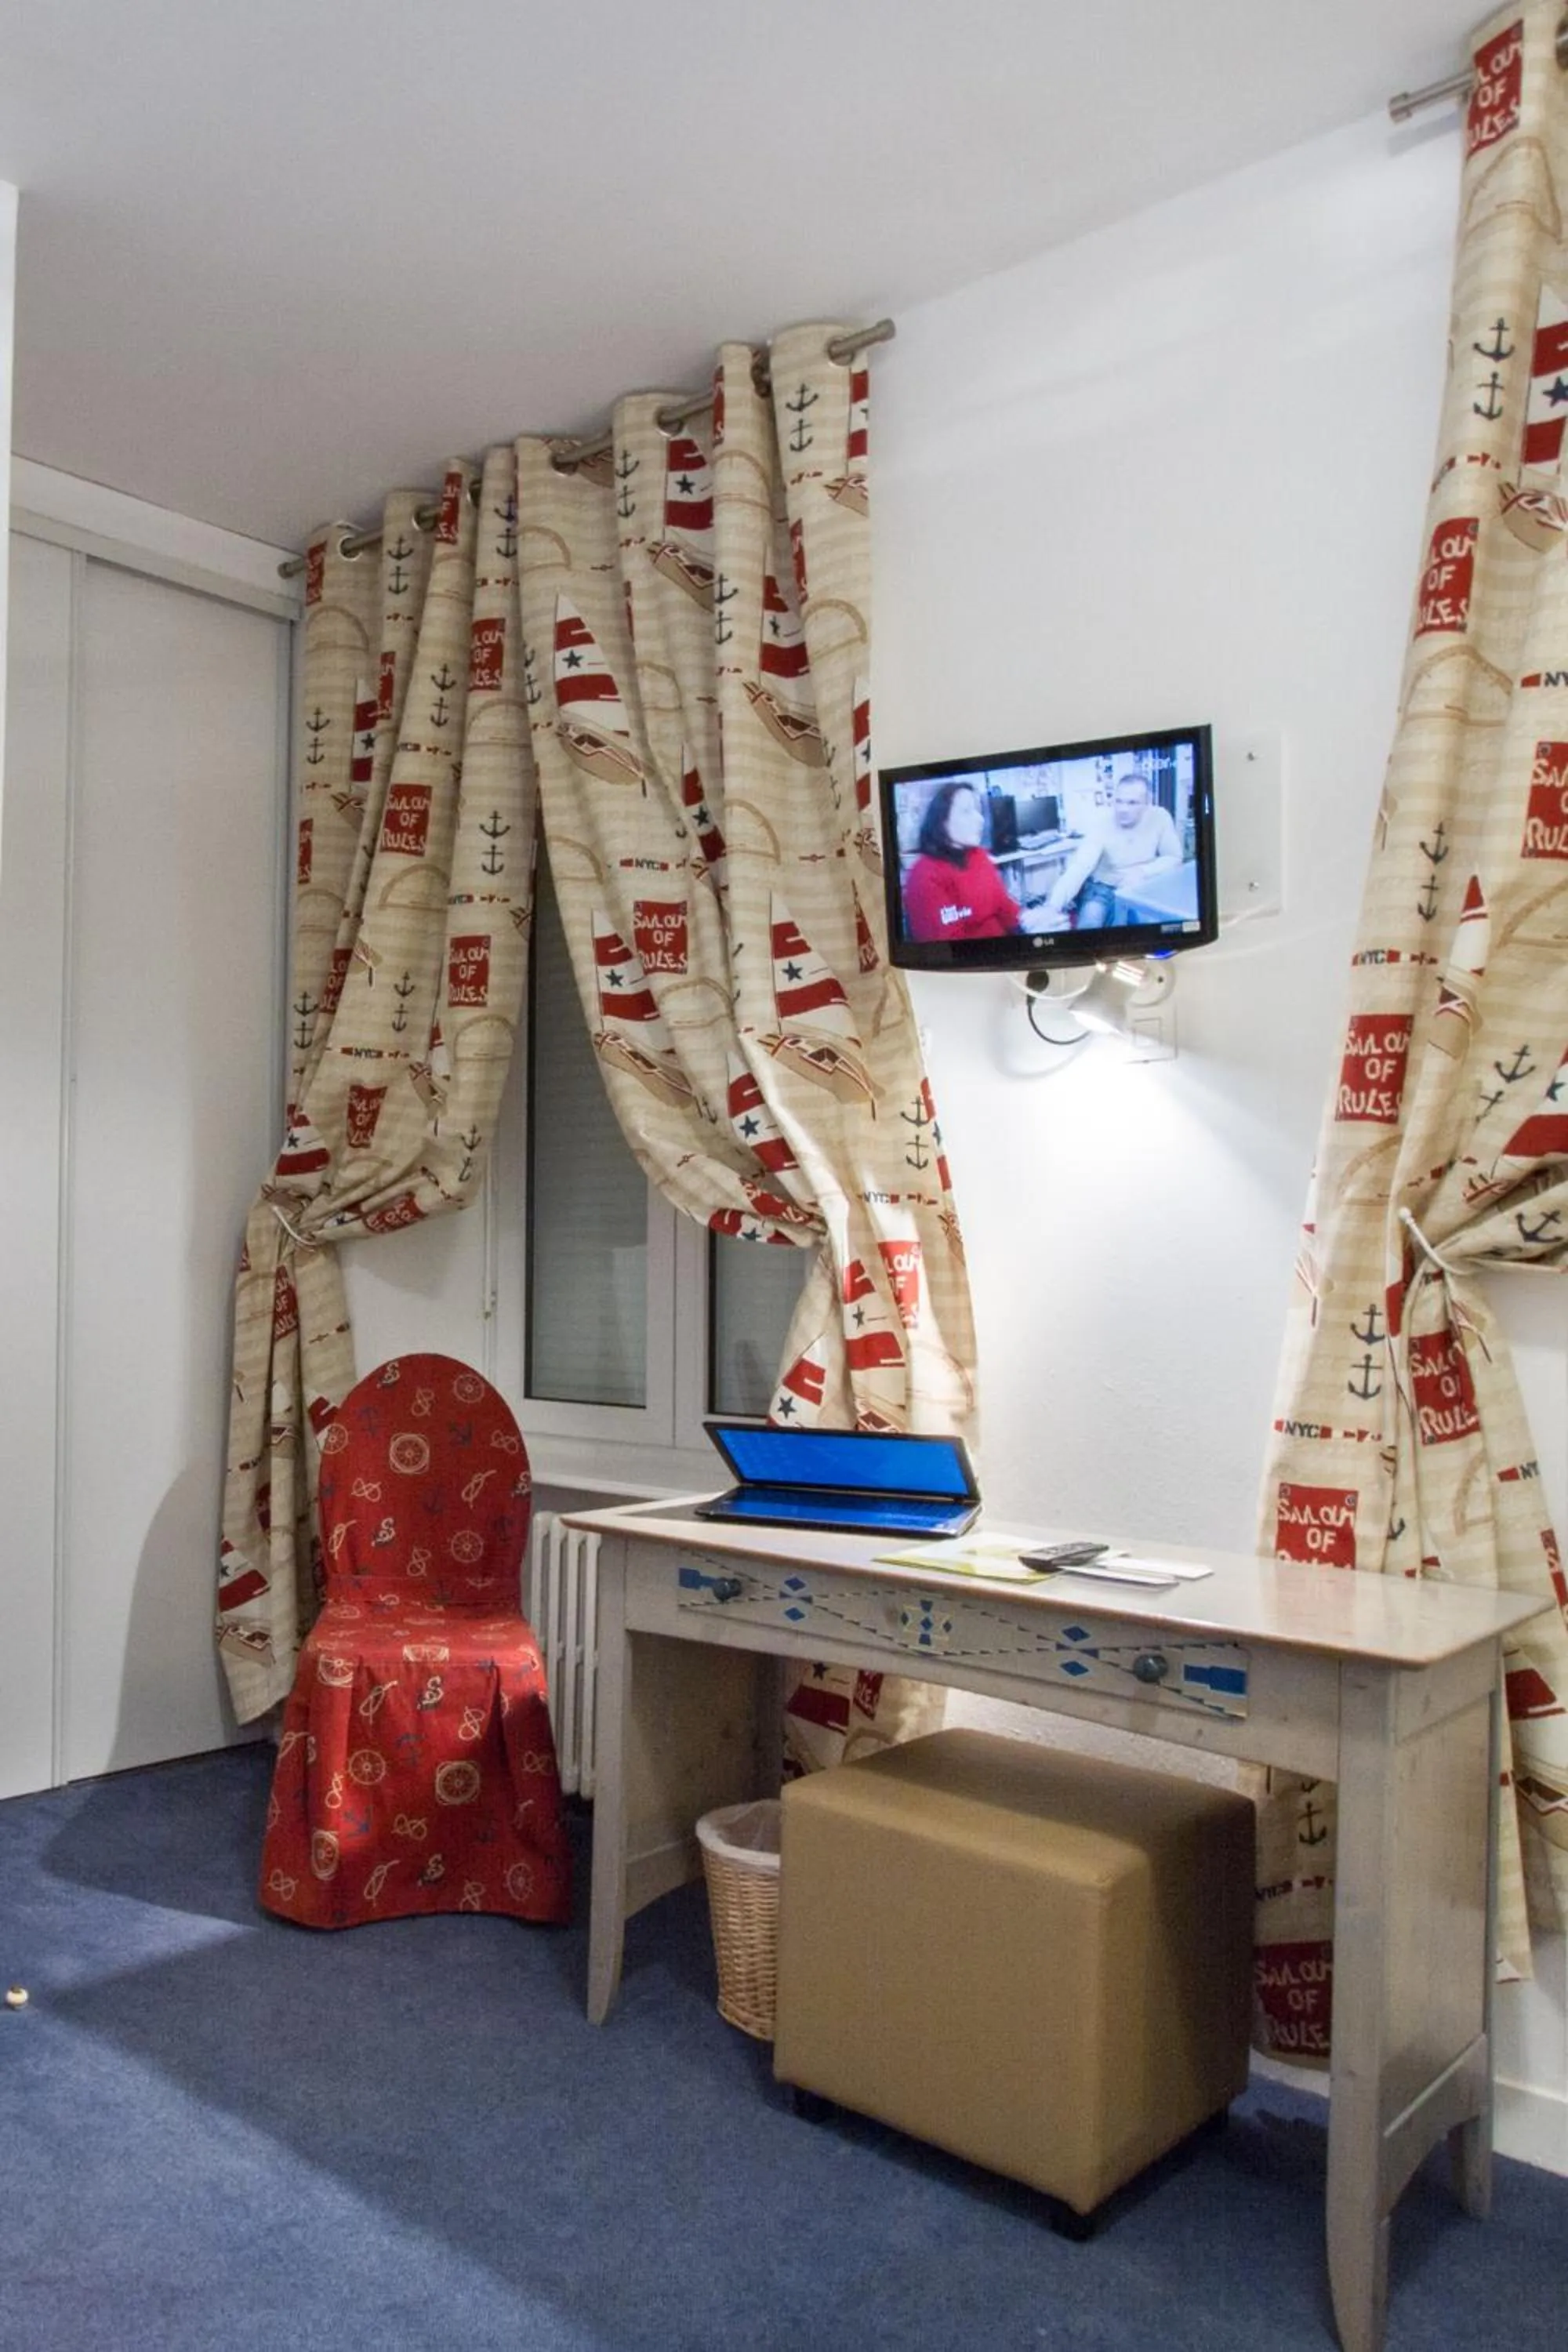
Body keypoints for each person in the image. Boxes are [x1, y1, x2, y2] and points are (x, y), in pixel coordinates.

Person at [1042, 769, 1182, 929]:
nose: (1123, 809)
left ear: (1147, 803)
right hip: (1102, 887)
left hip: (1141, 883)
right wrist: (1052, 906)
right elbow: (1080, 866)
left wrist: (1143, 872)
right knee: (1089, 924)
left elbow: (1174, 857)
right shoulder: (1101, 822)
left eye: (1132, 803)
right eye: (1119, 801)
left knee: (1153, 926)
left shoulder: (1160, 817)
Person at [901, 781, 1022, 942]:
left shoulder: (979, 855)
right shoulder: (924, 876)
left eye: (979, 811)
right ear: (942, 821)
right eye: (967, 811)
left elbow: (1004, 907)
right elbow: (947, 949)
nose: (980, 819)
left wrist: (1030, 922)